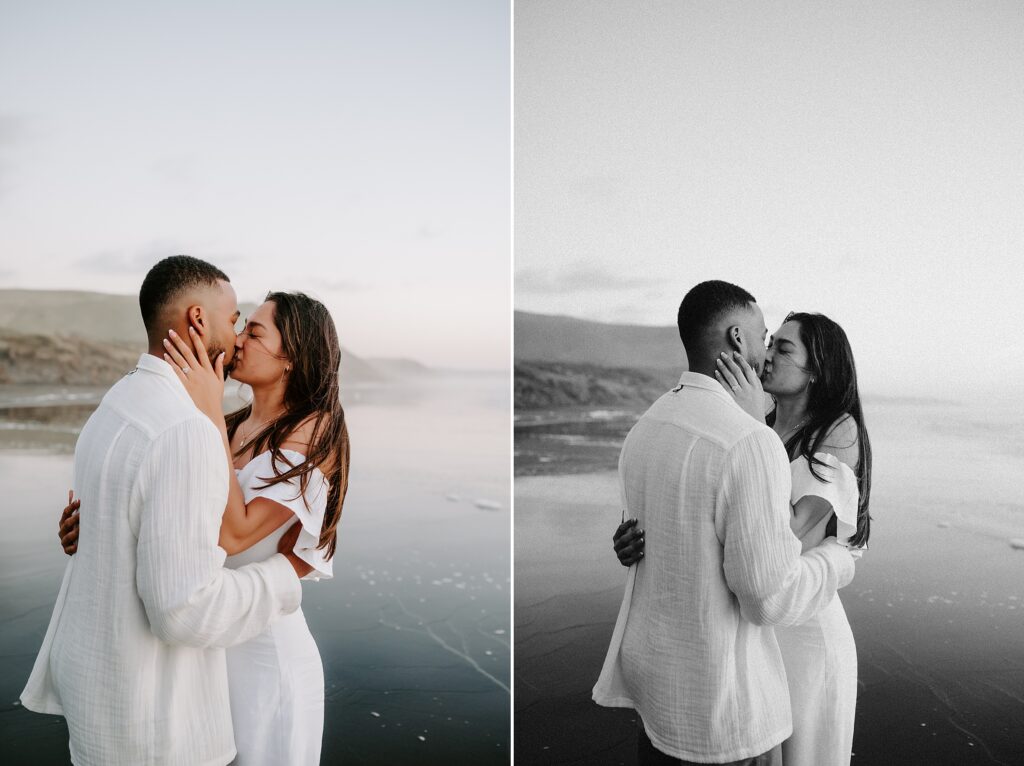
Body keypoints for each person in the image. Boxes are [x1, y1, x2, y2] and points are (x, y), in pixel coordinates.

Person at [53, 269, 350, 765]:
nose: (237, 340)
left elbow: (234, 533)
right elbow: (176, 510)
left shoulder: (315, 433)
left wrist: (208, 408)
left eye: (253, 332)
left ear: (292, 358)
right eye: (241, 325)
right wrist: (101, 523)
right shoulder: (227, 423)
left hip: (262, 650)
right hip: (206, 647)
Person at [592, 280, 857, 766]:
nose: (768, 353)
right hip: (738, 656)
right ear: (738, 338)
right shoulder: (751, 430)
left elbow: (786, 536)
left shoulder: (649, 426)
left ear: (816, 370)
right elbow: (759, 578)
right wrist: (842, 560)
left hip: (798, 629)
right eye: (766, 338)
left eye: (782, 345)